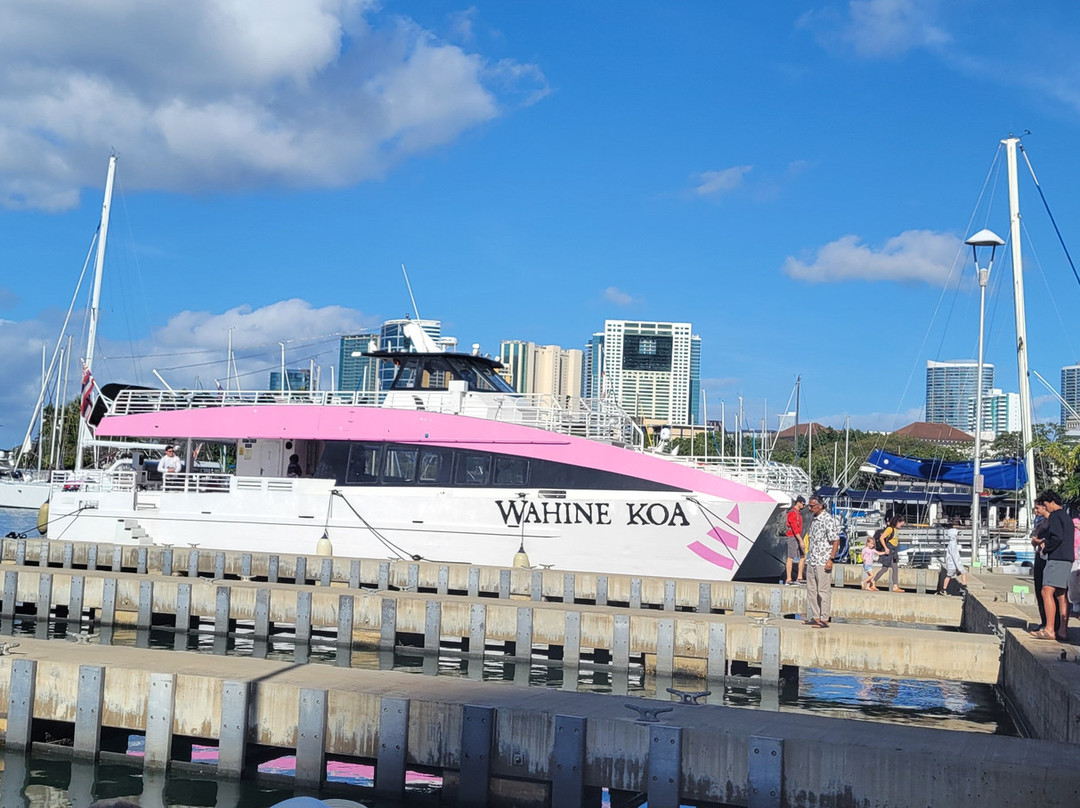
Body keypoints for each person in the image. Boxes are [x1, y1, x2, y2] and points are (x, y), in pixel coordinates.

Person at [1030, 490, 1074, 642]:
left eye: (1045, 504)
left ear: (1051, 502)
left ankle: (1049, 629)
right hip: (1067, 558)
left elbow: (1057, 537)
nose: (1045, 507)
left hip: (1057, 557)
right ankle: (1062, 630)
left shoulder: (1055, 516)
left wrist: (1045, 546)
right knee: (1062, 595)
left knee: (1046, 590)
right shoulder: (1067, 517)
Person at [803, 495, 841, 628]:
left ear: (820, 506)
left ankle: (824, 618)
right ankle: (816, 616)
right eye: (809, 505)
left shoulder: (827, 520)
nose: (809, 508)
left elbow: (835, 540)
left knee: (823, 591)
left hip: (823, 560)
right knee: (811, 590)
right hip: (812, 559)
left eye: (812, 506)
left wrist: (831, 559)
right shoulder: (814, 520)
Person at [871, 515, 905, 592]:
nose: (901, 525)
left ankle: (895, 586)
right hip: (889, 551)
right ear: (897, 522)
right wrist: (885, 548)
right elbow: (881, 538)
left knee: (893, 568)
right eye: (901, 524)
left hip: (894, 552)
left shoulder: (896, 530)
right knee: (885, 569)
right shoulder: (890, 529)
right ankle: (873, 581)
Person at [1030, 502, 1049, 633]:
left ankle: (1049, 623)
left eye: (1037, 508)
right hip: (1039, 556)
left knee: (1045, 591)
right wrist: (1036, 541)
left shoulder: (1051, 522)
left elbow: (1045, 540)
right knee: (1038, 590)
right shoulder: (1040, 522)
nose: (1035, 511)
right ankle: (1043, 621)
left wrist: (1038, 541)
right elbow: (1033, 540)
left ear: (1044, 507)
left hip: (1046, 558)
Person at [784, 495, 806, 585]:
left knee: (803, 556)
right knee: (790, 557)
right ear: (799, 503)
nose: (804, 506)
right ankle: (788, 579)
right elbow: (794, 528)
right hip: (792, 537)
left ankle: (799, 577)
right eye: (803, 504)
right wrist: (801, 540)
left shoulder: (798, 513)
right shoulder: (792, 513)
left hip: (797, 536)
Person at [941, 523, 967, 594]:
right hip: (953, 564)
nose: (958, 536)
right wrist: (959, 566)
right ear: (954, 536)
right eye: (957, 534)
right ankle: (964, 586)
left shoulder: (952, 543)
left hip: (951, 564)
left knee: (949, 576)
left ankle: (944, 589)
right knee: (963, 572)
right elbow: (955, 556)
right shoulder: (953, 544)